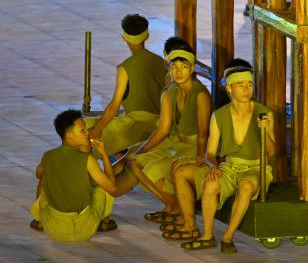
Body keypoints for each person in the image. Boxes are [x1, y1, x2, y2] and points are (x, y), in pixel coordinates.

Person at [170, 59, 276, 253]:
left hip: (256, 167)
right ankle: (207, 236)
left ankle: (227, 237)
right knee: (210, 184)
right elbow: (210, 153)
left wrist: (266, 131)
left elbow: (271, 152)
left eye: (249, 85)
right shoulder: (219, 116)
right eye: (241, 85)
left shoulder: (264, 113)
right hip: (229, 166)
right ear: (229, 88)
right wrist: (213, 167)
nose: (246, 90)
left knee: (246, 186)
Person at [119, 42, 211, 225]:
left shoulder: (201, 95)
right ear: (168, 68)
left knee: (153, 169)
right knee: (136, 162)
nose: (178, 72)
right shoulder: (169, 92)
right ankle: (171, 205)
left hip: (194, 146)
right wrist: (142, 150)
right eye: (174, 67)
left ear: (192, 68)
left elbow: (203, 132)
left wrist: (201, 157)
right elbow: (162, 129)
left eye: (183, 67)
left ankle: (177, 207)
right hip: (175, 143)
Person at [85, 14, 166, 156]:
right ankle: (118, 160)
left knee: (86, 134)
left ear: (124, 38)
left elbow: (114, 106)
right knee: (89, 124)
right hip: (160, 121)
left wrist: (96, 131)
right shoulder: (160, 61)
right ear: (147, 36)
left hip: (135, 124)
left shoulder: (125, 68)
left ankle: (111, 166)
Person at [30, 110, 117, 241]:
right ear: (69, 135)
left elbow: (38, 174)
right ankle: (104, 222)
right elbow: (113, 189)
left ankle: (39, 221)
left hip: (54, 230)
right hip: (85, 230)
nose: (87, 133)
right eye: (82, 130)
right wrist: (104, 155)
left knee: (45, 178)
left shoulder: (48, 156)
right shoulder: (88, 160)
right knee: (101, 186)